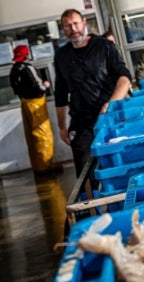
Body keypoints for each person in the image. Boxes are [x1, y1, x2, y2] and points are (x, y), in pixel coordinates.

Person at [54, 9, 132, 178]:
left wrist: (110, 104)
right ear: (63, 30)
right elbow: (60, 94)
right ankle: (92, 203)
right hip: (81, 122)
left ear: (84, 23)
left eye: (75, 23)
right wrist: (61, 127)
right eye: (67, 26)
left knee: (118, 165)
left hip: (109, 117)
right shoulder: (61, 56)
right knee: (86, 173)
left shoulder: (103, 46)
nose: (73, 29)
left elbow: (125, 78)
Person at [9, 45, 62, 175]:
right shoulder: (28, 68)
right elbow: (38, 86)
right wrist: (46, 86)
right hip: (36, 103)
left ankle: (37, 166)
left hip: (24, 103)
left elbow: (15, 88)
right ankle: (45, 166)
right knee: (43, 135)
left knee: (31, 136)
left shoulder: (14, 70)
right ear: (27, 55)